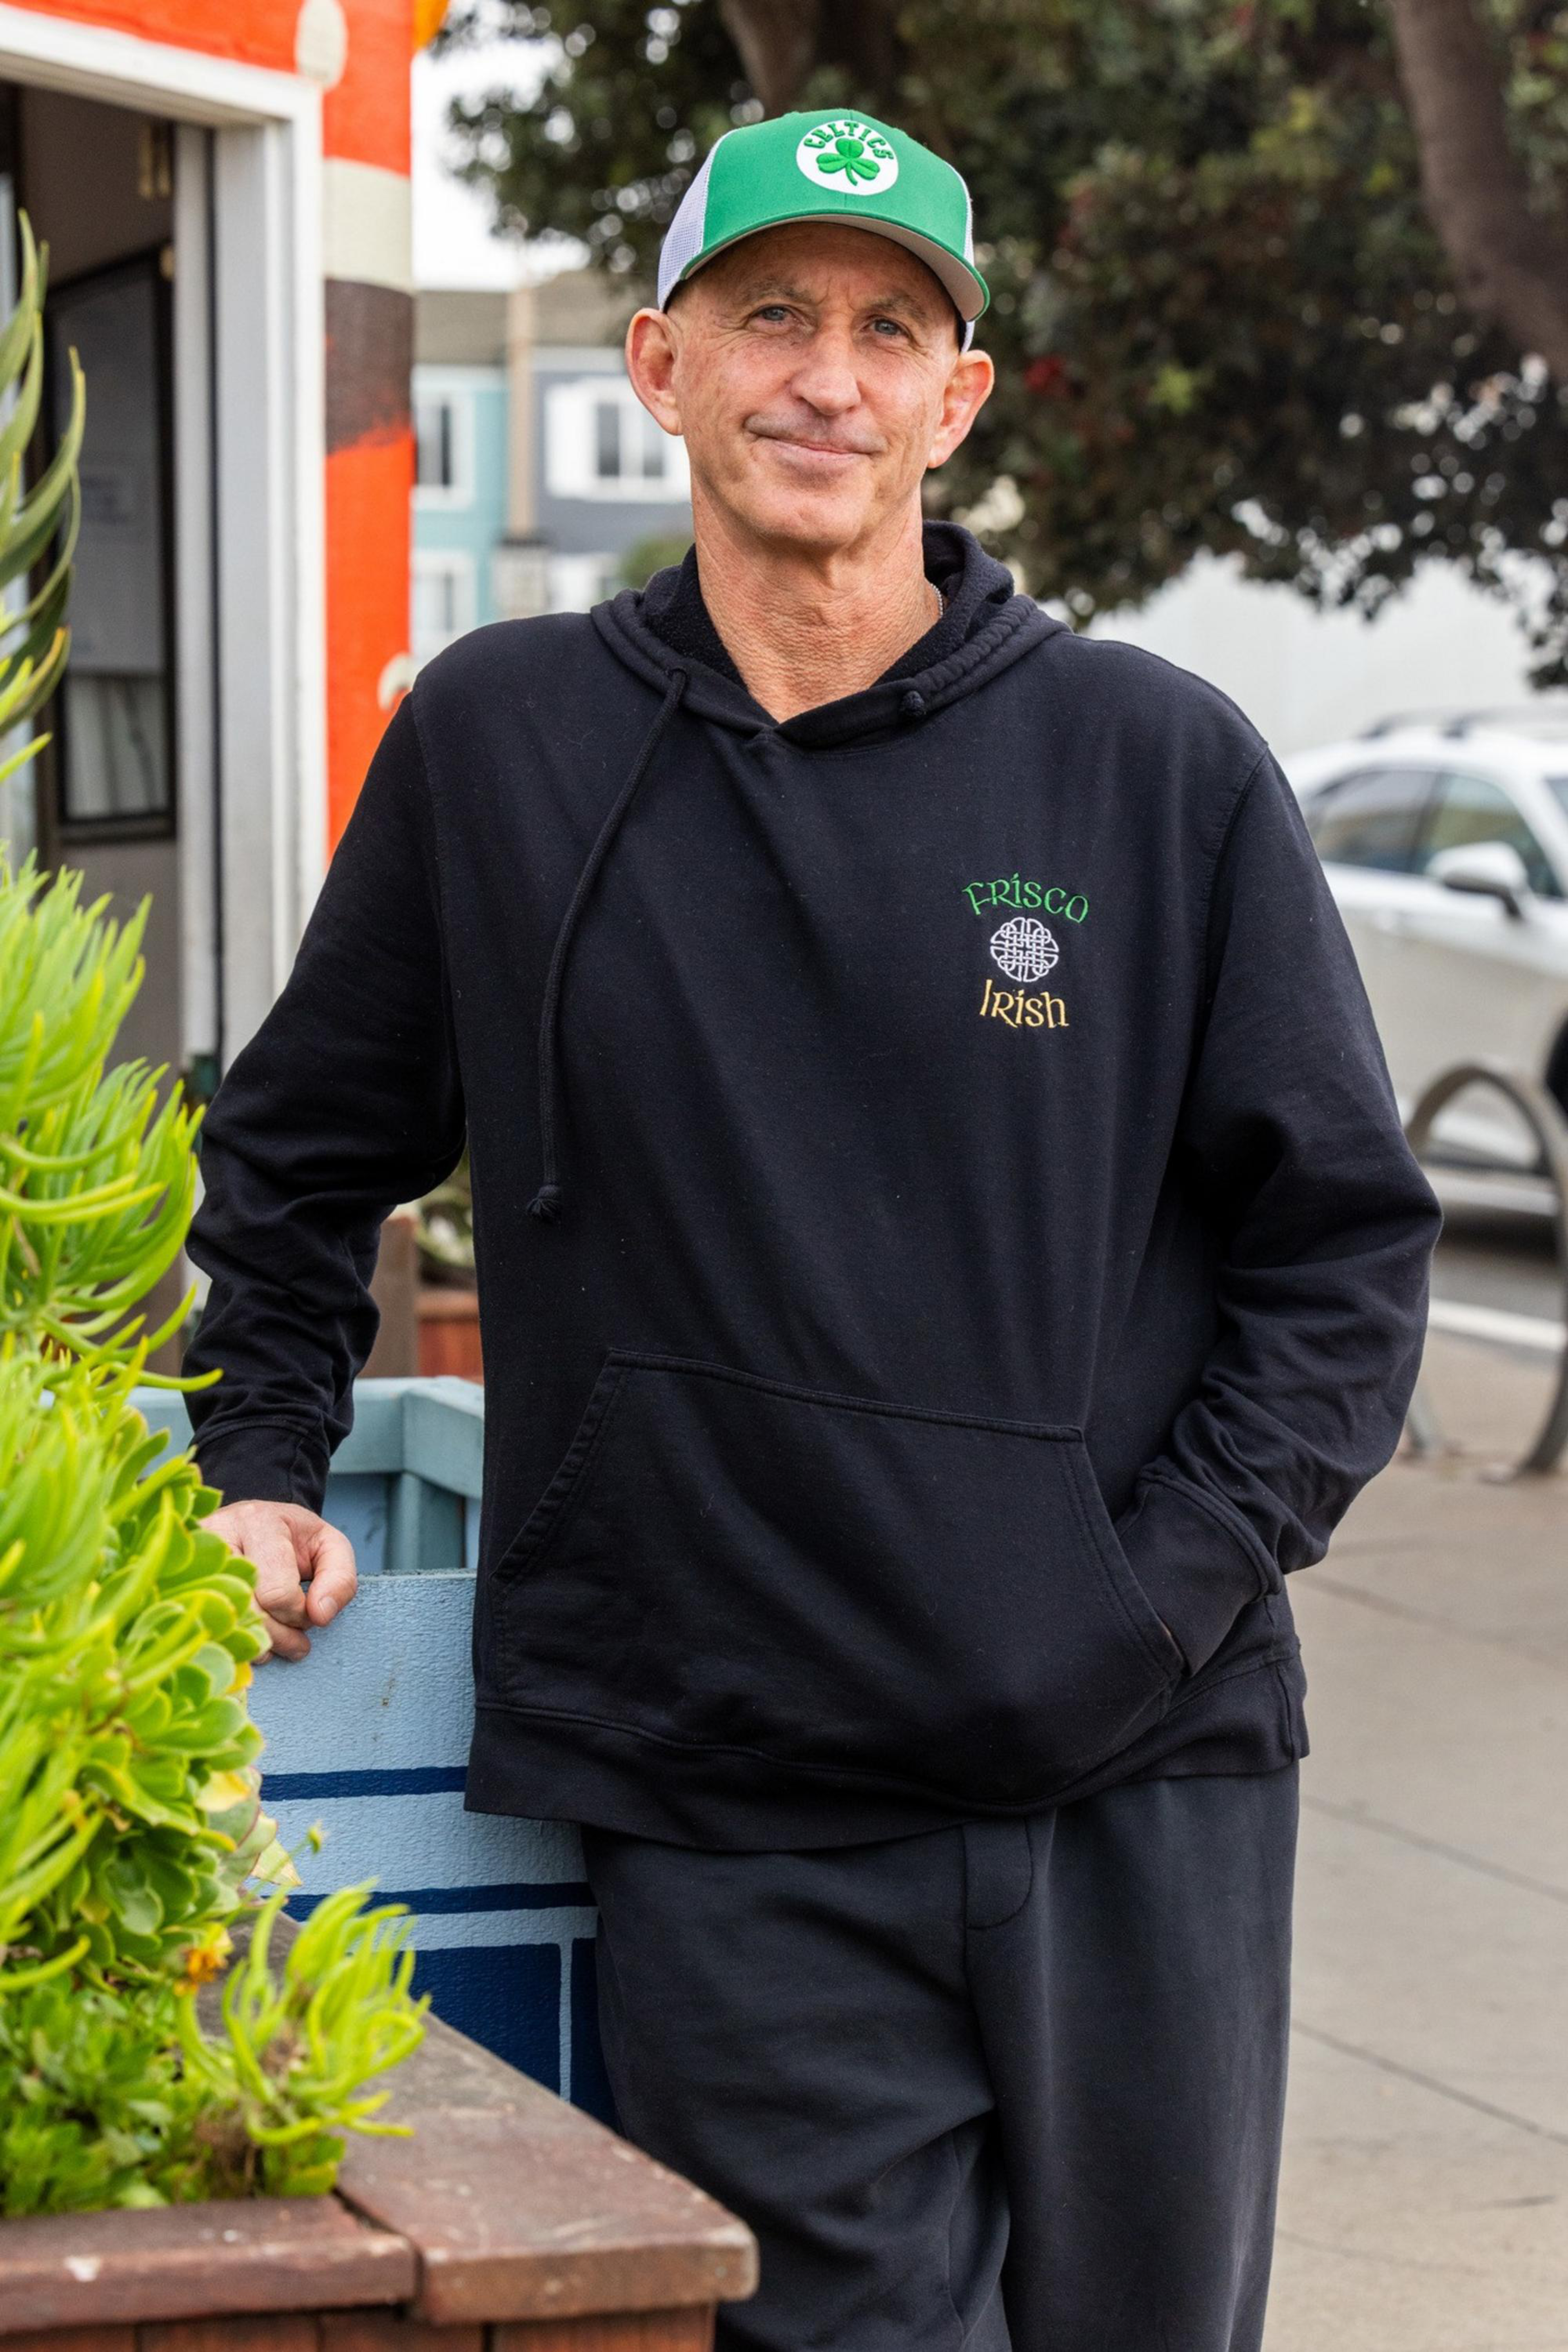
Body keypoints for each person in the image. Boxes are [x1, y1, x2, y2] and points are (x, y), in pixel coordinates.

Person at [186, 107, 1440, 2352]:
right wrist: (262, 1460)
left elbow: (1341, 1254)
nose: (826, 379)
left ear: (959, 401)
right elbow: (293, 1157)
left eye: (886, 330)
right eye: (771, 314)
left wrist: (1141, 1607)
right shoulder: (504, 745)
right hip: (729, 1796)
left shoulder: (1155, 767)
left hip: (1136, 1781)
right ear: (660, 364)